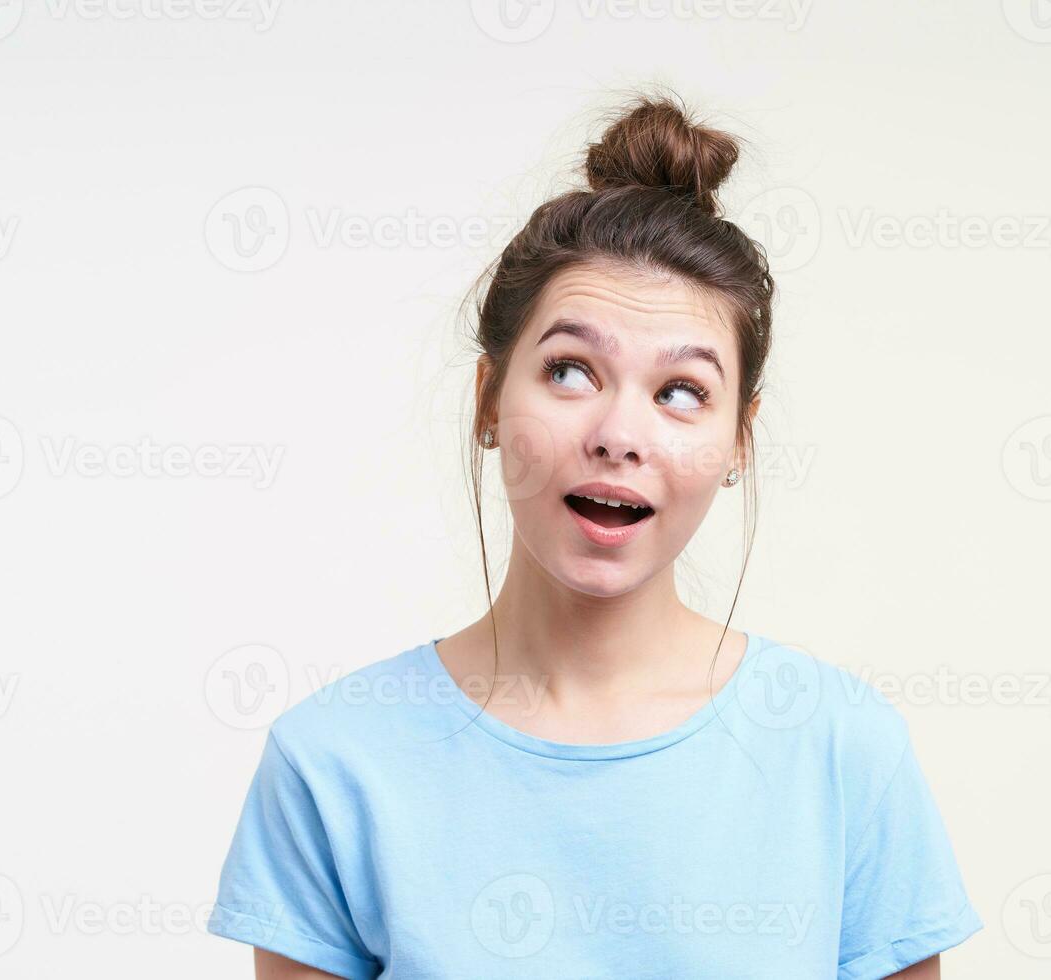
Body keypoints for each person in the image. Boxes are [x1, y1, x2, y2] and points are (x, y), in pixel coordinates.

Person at [207, 91, 982, 979]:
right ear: (489, 401)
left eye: (682, 390)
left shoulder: (844, 750)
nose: (620, 433)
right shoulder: (334, 765)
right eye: (571, 370)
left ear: (739, 440)